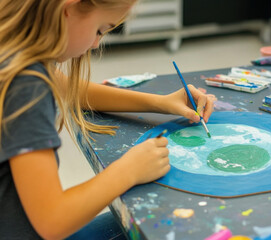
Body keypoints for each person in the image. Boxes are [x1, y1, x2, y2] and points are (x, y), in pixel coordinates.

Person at [0, 0, 214, 239]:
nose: (95, 44)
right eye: (100, 29)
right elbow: (53, 220)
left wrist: (161, 103)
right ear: (68, 8)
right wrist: (129, 170)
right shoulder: (26, 85)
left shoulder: (11, 47)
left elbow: (73, 90)